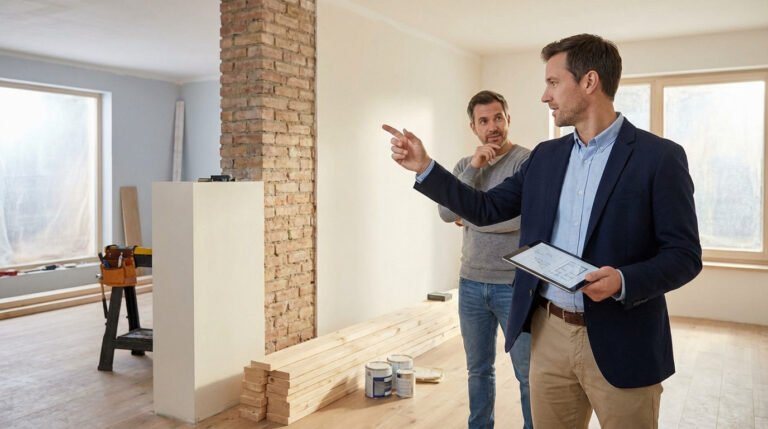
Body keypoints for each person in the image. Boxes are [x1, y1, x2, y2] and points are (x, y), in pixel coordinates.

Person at [383, 34, 702, 429]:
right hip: (549, 334)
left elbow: (684, 255)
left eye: (553, 83)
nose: (544, 96)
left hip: (624, 339)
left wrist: (623, 280)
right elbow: (484, 209)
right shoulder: (546, 158)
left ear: (588, 82)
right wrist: (425, 167)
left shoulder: (659, 158)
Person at [437, 90, 532, 429]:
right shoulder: (465, 165)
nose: (493, 127)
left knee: (527, 373)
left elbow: (525, 220)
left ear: (508, 119)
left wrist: (474, 216)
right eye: (484, 121)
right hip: (472, 283)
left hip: (514, 284)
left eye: (498, 118)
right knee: (478, 370)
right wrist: (474, 169)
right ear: (473, 127)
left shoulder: (526, 161)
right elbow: (447, 212)